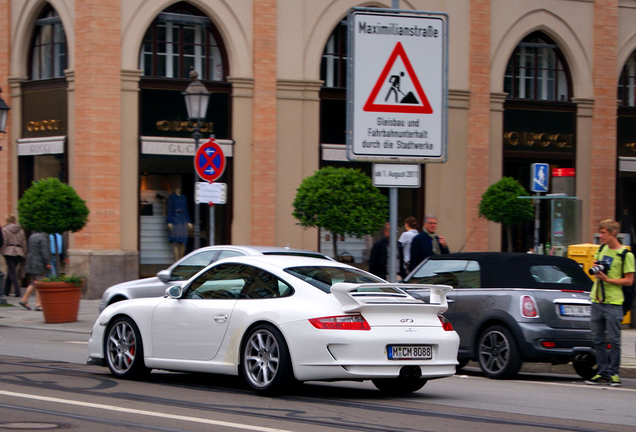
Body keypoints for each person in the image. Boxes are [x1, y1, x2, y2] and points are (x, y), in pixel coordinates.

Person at [585, 219, 634, 387]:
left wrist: (609, 279)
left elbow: (629, 280)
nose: (601, 235)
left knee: (613, 340)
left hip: (614, 301)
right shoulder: (601, 249)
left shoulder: (625, 255)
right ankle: (602, 372)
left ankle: (614, 373)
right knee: (597, 338)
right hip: (597, 299)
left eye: (604, 232)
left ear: (613, 233)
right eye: (600, 232)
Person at [19, 231, 51, 311]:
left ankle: (24, 299)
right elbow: (44, 251)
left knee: (33, 282)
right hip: (38, 263)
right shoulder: (43, 236)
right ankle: (38, 304)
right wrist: (47, 262)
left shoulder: (32, 236)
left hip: (31, 262)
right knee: (39, 283)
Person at [2, 214, 27, 297]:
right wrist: (24, 252)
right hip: (19, 252)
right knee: (11, 271)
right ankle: (6, 291)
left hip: (9, 252)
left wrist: (2, 251)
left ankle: (17, 291)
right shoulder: (20, 230)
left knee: (12, 272)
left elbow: (4, 241)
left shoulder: (5, 229)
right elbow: (24, 242)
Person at [167, 188, 192, 260]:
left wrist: (188, 221)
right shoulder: (172, 197)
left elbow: (186, 209)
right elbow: (169, 210)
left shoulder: (184, 197)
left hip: (183, 219)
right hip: (175, 220)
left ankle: (180, 260)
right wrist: (169, 221)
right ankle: (176, 260)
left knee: (183, 241)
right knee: (175, 241)